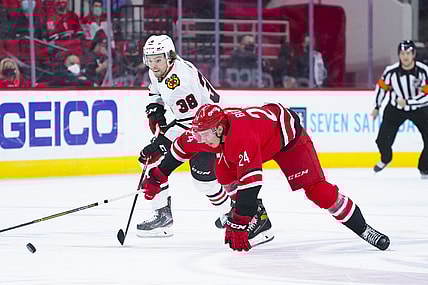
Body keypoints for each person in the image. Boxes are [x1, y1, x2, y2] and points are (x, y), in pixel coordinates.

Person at [140, 103, 391, 252]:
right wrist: (157, 176)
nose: (200, 139)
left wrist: (239, 222)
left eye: (204, 134)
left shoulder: (241, 138)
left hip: (288, 140)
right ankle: (260, 221)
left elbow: (252, 186)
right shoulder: (209, 131)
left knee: (318, 192)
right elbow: (179, 151)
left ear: (218, 129)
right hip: (263, 134)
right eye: (198, 133)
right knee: (224, 171)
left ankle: (364, 229)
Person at [136, 34, 274, 244]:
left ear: (169, 57)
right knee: (199, 179)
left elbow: (192, 123)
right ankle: (174, 215)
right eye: (150, 59)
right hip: (207, 126)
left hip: (216, 129)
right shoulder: (163, 68)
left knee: (190, 174)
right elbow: (155, 89)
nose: (153, 65)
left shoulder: (179, 83)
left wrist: (162, 143)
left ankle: (231, 212)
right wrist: (155, 108)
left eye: (158, 59)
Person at [371, 40, 428, 179]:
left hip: (419, 109)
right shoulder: (390, 71)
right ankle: (386, 158)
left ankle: (424, 167)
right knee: (382, 140)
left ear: (414, 54)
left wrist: (408, 102)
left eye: (408, 53)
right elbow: (382, 88)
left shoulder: (424, 71)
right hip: (395, 109)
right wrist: (377, 106)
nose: (405, 56)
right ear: (399, 55)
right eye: (402, 53)